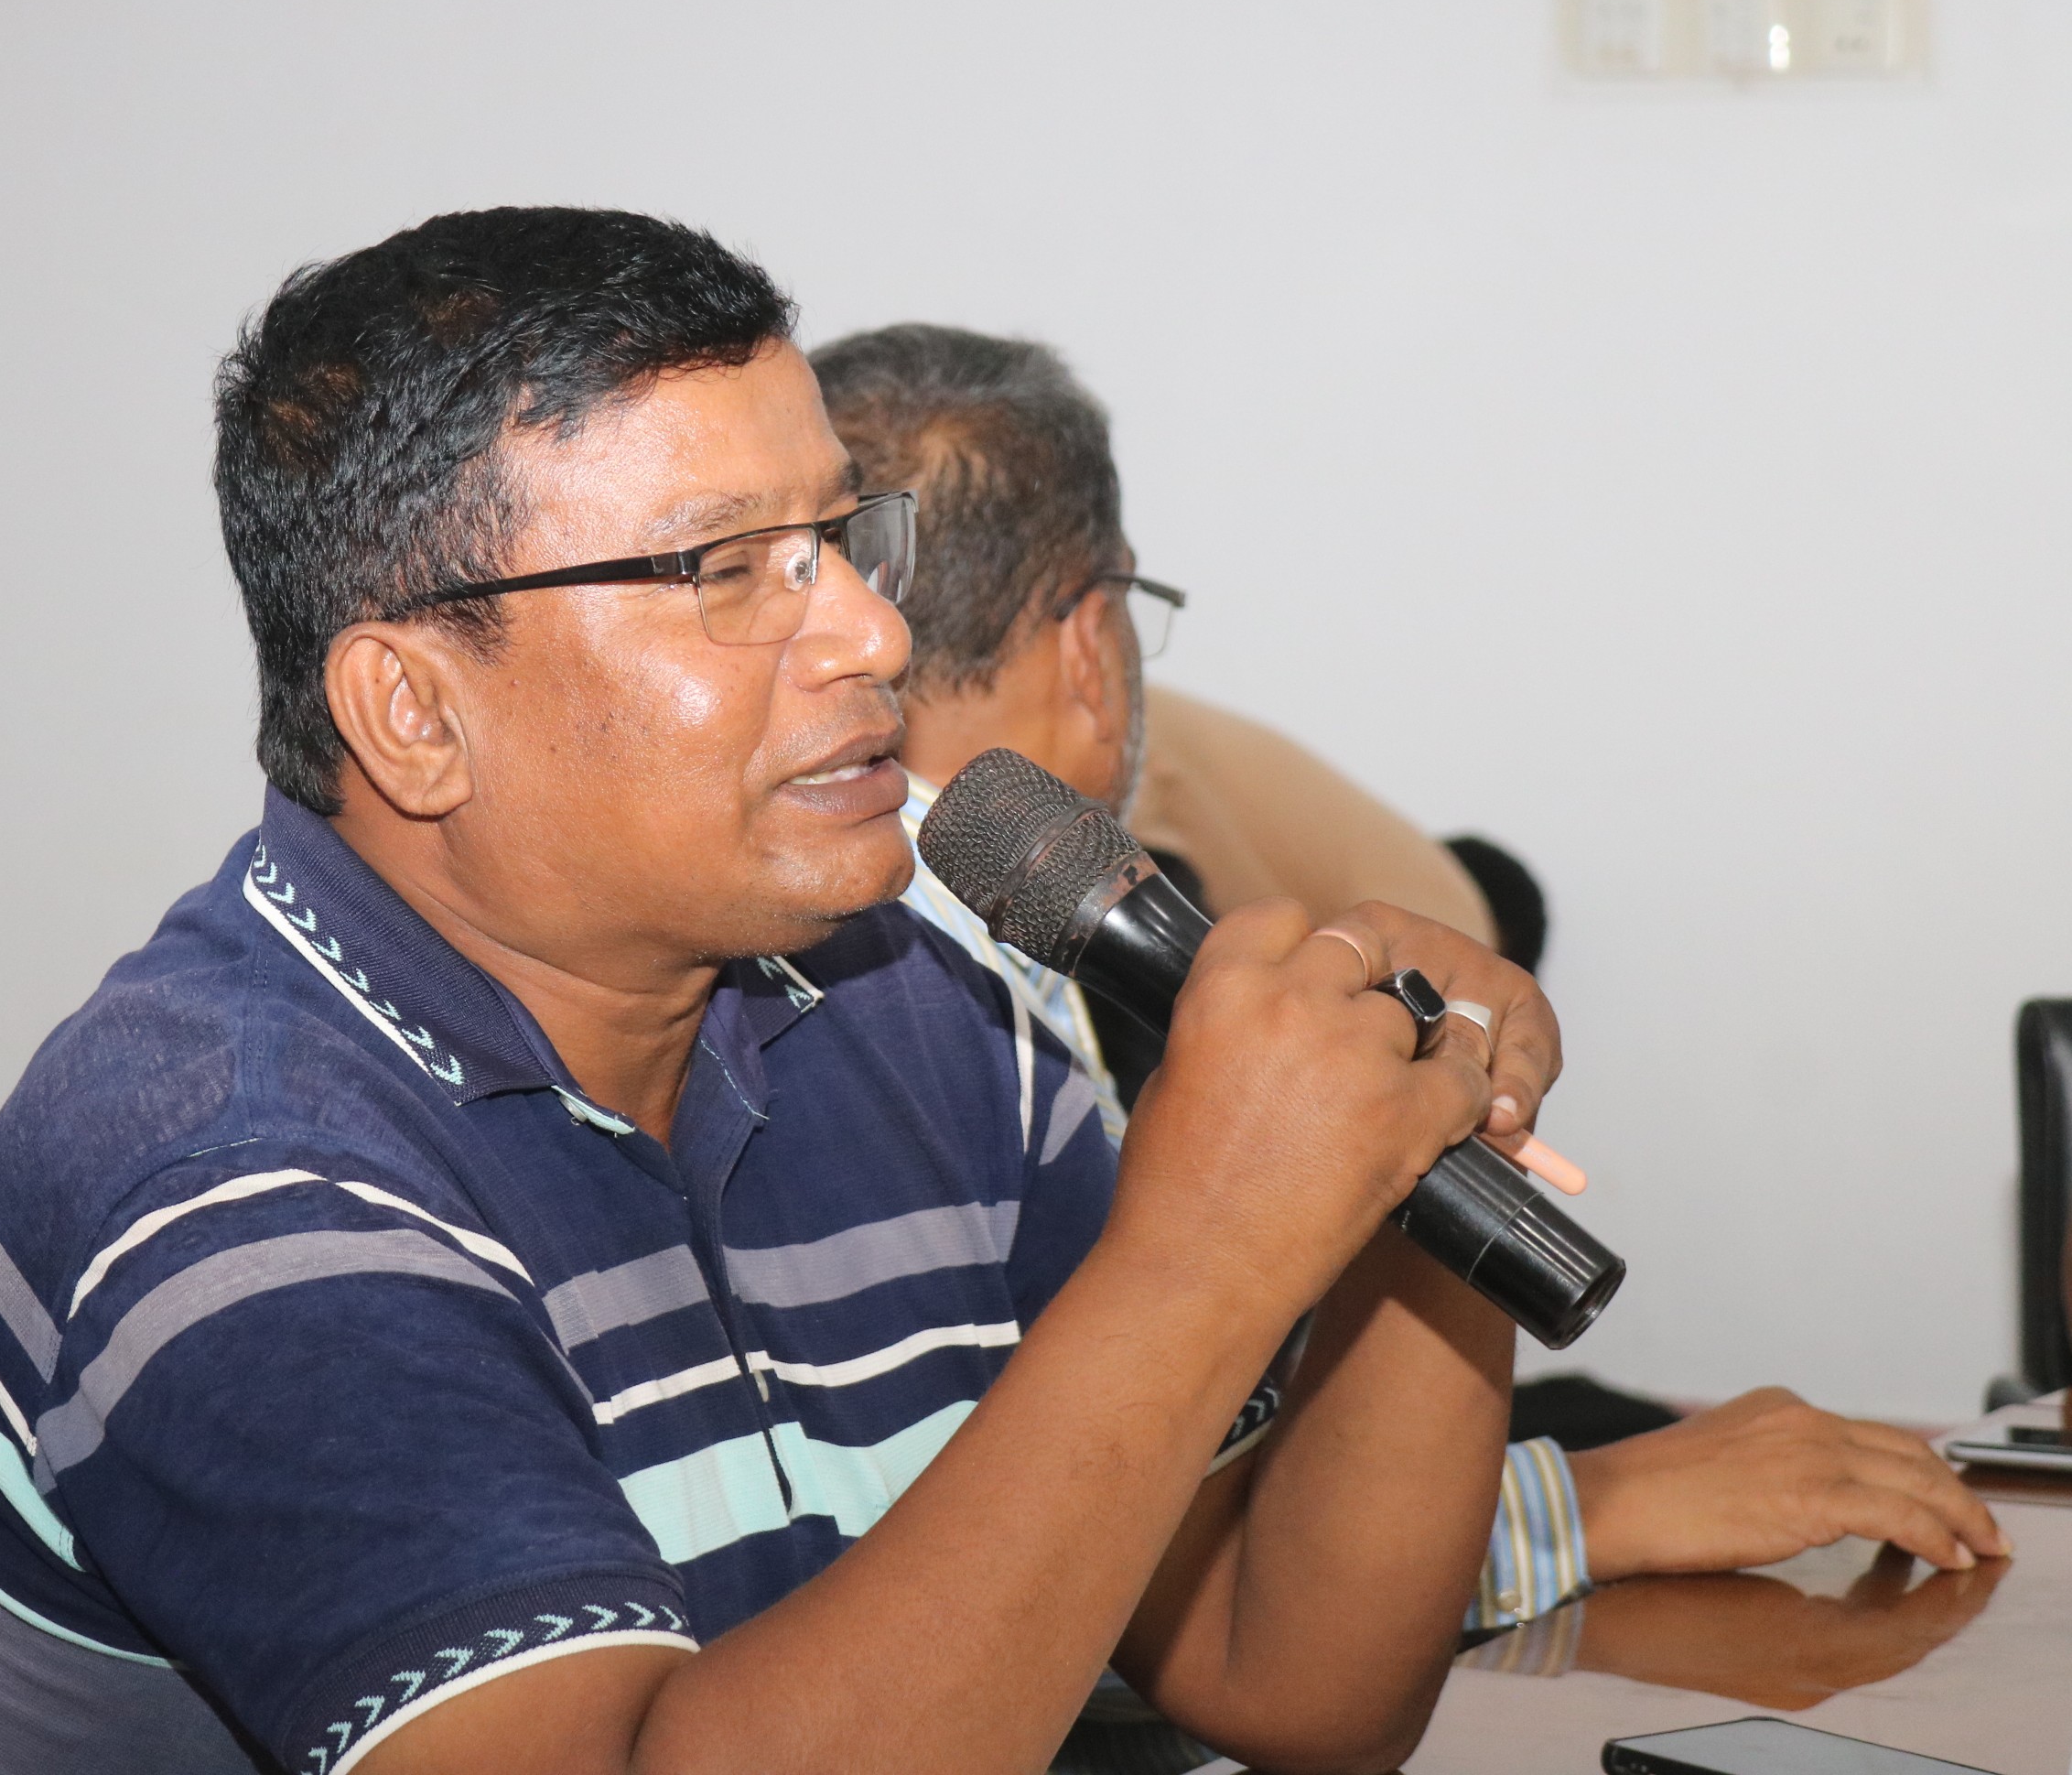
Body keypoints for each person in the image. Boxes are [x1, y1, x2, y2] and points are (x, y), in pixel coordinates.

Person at [0, 208, 1584, 1775]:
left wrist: (1413, 1165)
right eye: (724, 570)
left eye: (838, 540)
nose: (871, 634)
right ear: (413, 714)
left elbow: (1288, 1682)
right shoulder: (227, 1183)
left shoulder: (914, 997)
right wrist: (1200, 1258)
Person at [809, 319, 2006, 1643]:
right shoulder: (947, 983)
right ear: (1092, 645)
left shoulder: (928, 919)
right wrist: (1585, 1508)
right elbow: (1062, 1562)